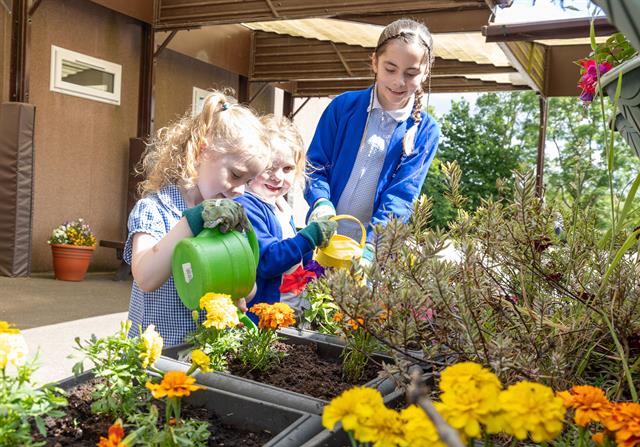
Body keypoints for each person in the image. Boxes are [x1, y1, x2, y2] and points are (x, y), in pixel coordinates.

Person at [123, 90, 270, 346]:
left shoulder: (224, 220)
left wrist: (237, 285)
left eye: (248, 181)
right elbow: (145, 277)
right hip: (157, 356)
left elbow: (249, 290)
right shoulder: (155, 209)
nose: (240, 190)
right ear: (202, 152)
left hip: (206, 353)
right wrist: (193, 220)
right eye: (236, 175)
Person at [305, 19, 440, 266]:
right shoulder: (343, 107)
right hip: (321, 241)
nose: (399, 81)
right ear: (375, 62)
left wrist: (372, 247)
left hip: (371, 253)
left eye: (411, 74)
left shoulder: (426, 131)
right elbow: (315, 165)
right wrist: (320, 201)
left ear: (426, 72)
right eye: (390, 69)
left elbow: (402, 196)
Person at [236, 115, 337, 323]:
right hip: (262, 320)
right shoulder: (245, 205)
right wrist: (308, 237)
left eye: (288, 168)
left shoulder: (280, 206)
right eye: (269, 167)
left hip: (289, 313)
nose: (278, 177)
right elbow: (266, 261)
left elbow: (296, 259)